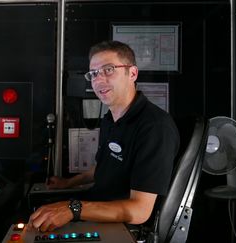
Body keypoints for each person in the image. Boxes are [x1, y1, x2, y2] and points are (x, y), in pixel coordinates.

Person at [28, 40, 180, 232]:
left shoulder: (154, 127)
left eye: (108, 70)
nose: (98, 80)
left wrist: (72, 208)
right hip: (95, 207)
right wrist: (69, 183)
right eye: (93, 74)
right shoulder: (110, 119)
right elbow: (102, 167)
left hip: (122, 227)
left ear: (132, 73)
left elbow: (140, 210)